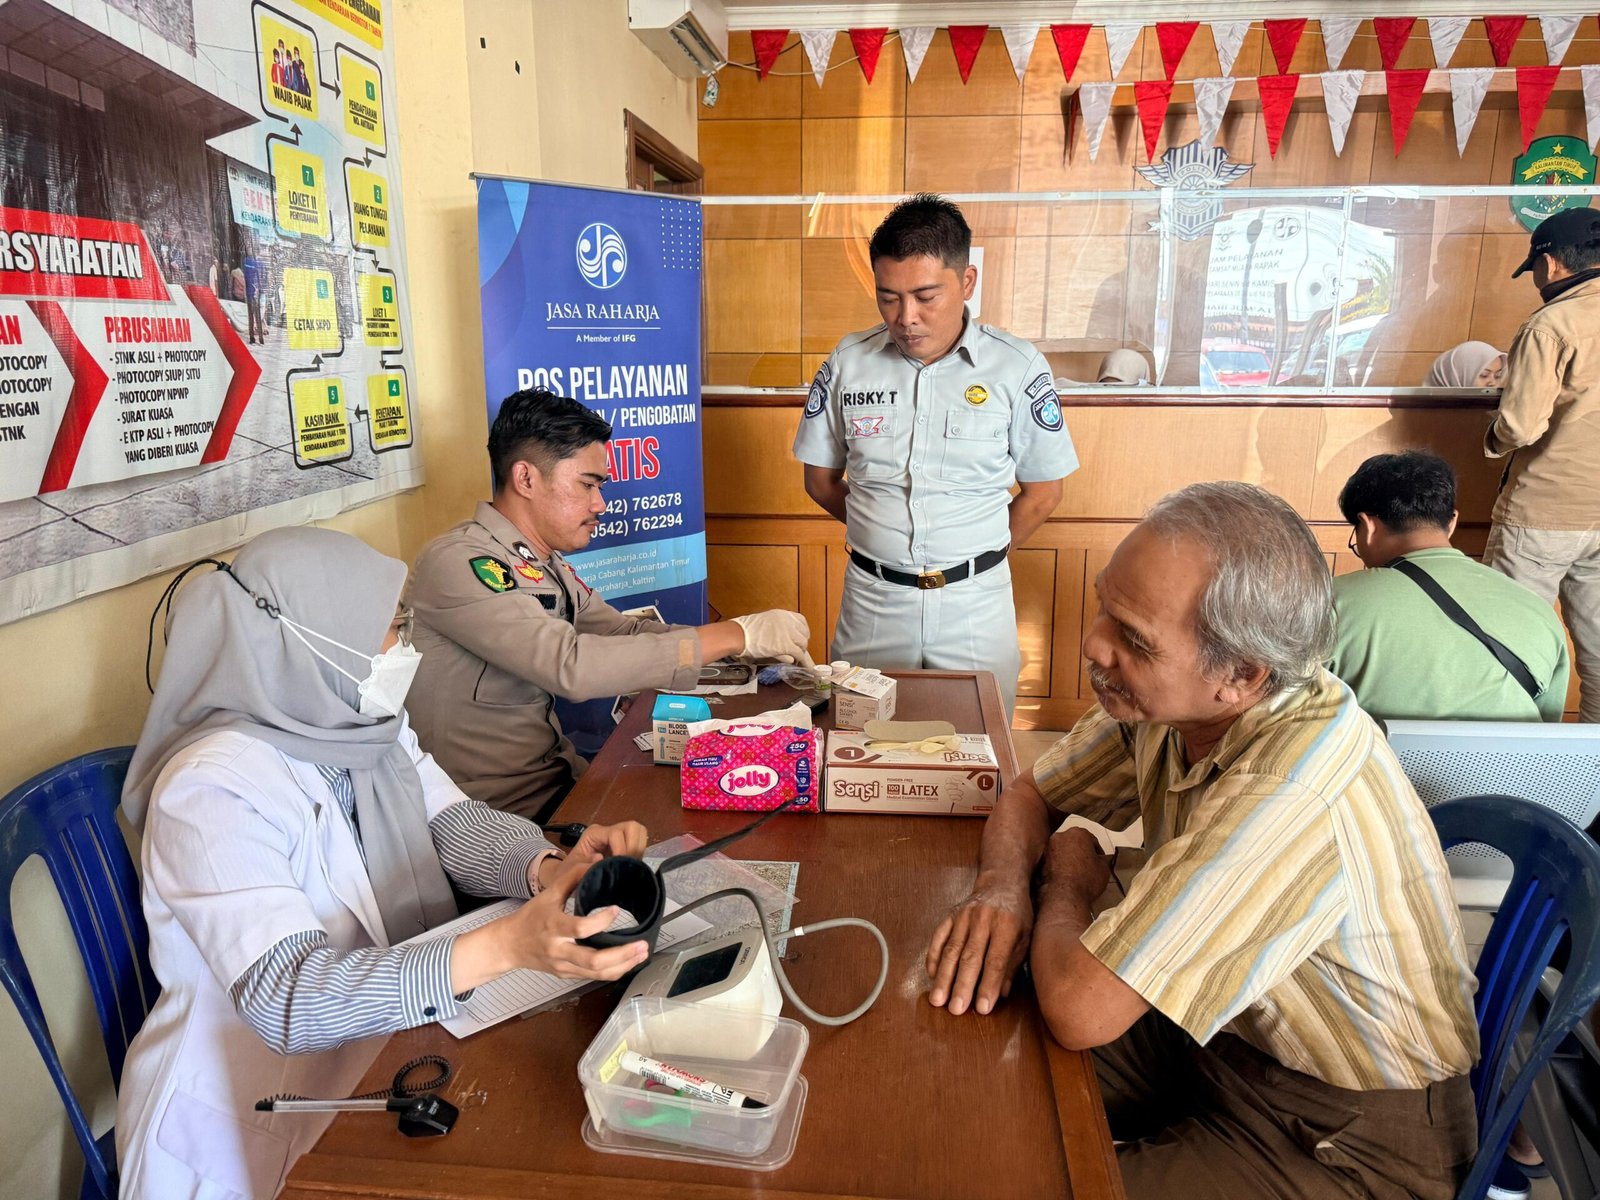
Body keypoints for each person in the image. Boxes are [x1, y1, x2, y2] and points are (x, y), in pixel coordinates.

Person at [925, 482, 1479, 1199]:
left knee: (1025, 1174)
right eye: (1104, 605)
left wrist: (1066, 886)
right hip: (1220, 1039)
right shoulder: (1179, 704)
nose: (1094, 644)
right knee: (959, 1066)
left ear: (1242, 675)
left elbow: (1080, 1011)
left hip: (1347, 1131)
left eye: (1134, 639)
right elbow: (1032, 794)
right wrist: (1002, 889)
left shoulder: (1289, 792)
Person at [116, 527, 652, 1199]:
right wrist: (504, 946)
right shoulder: (210, 789)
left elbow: (451, 822)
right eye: (391, 626)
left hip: (384, 1051)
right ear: (312, 638)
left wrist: (550, 870)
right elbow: (287, 998)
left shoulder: (359, 725)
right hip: (254, 1116)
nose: (405, 646)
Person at [406, 389, 813, 821]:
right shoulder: (461, 562)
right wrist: (733, 634)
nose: (600, 504)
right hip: (492, 817)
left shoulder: (542, 563)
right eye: (587, 485)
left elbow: (622, 631)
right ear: (525, 479)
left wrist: (738, 649)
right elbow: (571, 665)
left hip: (561, 781)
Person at [792, 194, 1079, 717]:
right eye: (888, 298)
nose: (906, 318)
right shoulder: (850, 362)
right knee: (860, 746)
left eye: (926, 296)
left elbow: (1044, 492)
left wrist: (975, 554)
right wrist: (882, 531)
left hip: (976, 606)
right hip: (873, 601)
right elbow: (820, 481)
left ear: (967, 282)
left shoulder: (1016, 367)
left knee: (978, 745)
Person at [1331, 451, 1569, 723]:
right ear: (1452, 521)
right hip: (1509, 753)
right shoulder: (1538, 610)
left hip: (1376, 751)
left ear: (1368, 526)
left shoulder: (1333, 603)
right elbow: (1546, 729)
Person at [1482, 206, 1600, 723]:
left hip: (1543, 512)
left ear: (1550, 263)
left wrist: (1491, 435)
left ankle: (1514, 759)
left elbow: (1521, 426)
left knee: (1508, 647)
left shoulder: (1550, 324)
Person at [1425, 341, 1506, 388]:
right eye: (1484, 375)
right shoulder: (1423, 409)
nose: (1493, 383)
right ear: (1457, 376)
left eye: (1498, 376)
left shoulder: (1496, 410)